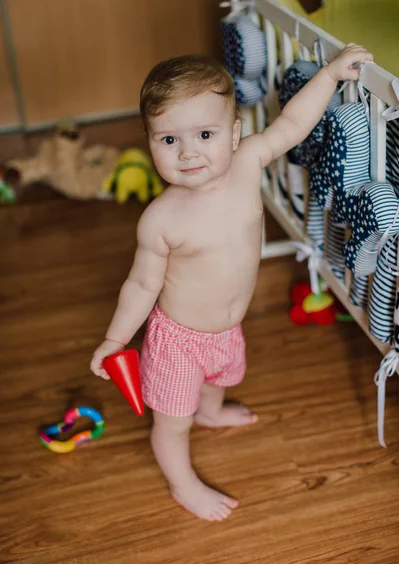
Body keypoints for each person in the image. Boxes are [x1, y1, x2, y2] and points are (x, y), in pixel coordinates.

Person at [90, 44, 372, 521]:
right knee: (170, 422)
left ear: (234, 133)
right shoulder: (161, 219)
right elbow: (140, 285)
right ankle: (183, 485)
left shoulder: (247, 163)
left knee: (219, 380)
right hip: (178, 339)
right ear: (150, 142)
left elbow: (291, 125)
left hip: (227, 330)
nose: (189, 152)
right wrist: (115, 339)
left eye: (204, 134)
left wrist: (328, 75)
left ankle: (211, 411)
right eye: (169, 140)